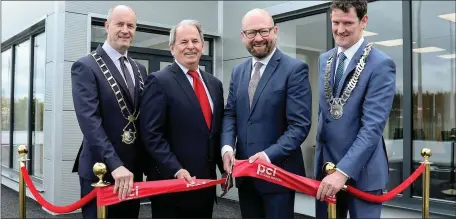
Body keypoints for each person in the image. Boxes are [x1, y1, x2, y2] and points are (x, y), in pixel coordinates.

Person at [221, 8, 312, 219]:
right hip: (246, 176)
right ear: (243, 36)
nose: (258, 38)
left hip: (278, 176)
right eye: (251, 33)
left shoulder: (295, 69)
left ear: (275, 31)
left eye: (264, 31)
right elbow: (230, 114)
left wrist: (268, 156)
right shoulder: (238, 71)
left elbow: (299, 126)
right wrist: (226, 148)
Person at [314, 0, 396, 218]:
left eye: (348, 22)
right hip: (326, 169)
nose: (340, 30)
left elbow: (372, 127)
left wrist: (343, 172)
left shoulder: (381, 64)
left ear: (364, 21)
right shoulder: (325, 59)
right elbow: (324, 114)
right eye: (336, 22)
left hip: (363, 174)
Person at [139, 19, 224, 218]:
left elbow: (215, 131)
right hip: (172, 185)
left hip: (205, 185)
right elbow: (151, 134)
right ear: (172, 48)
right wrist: (176, 169)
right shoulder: (159, 81)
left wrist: (223, 167)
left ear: (202, 46)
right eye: (183, 42)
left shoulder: (214, 84)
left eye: (195, 41)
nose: (190, 46)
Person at [71, 5, 147, 219]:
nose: (125, 30)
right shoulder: (85, 66)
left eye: (131, 26)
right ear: (107, 26)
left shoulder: (139, 69)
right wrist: (115, 165)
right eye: (119, 24)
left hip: (132, 171)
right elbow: (89, 122)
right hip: (101, 170)